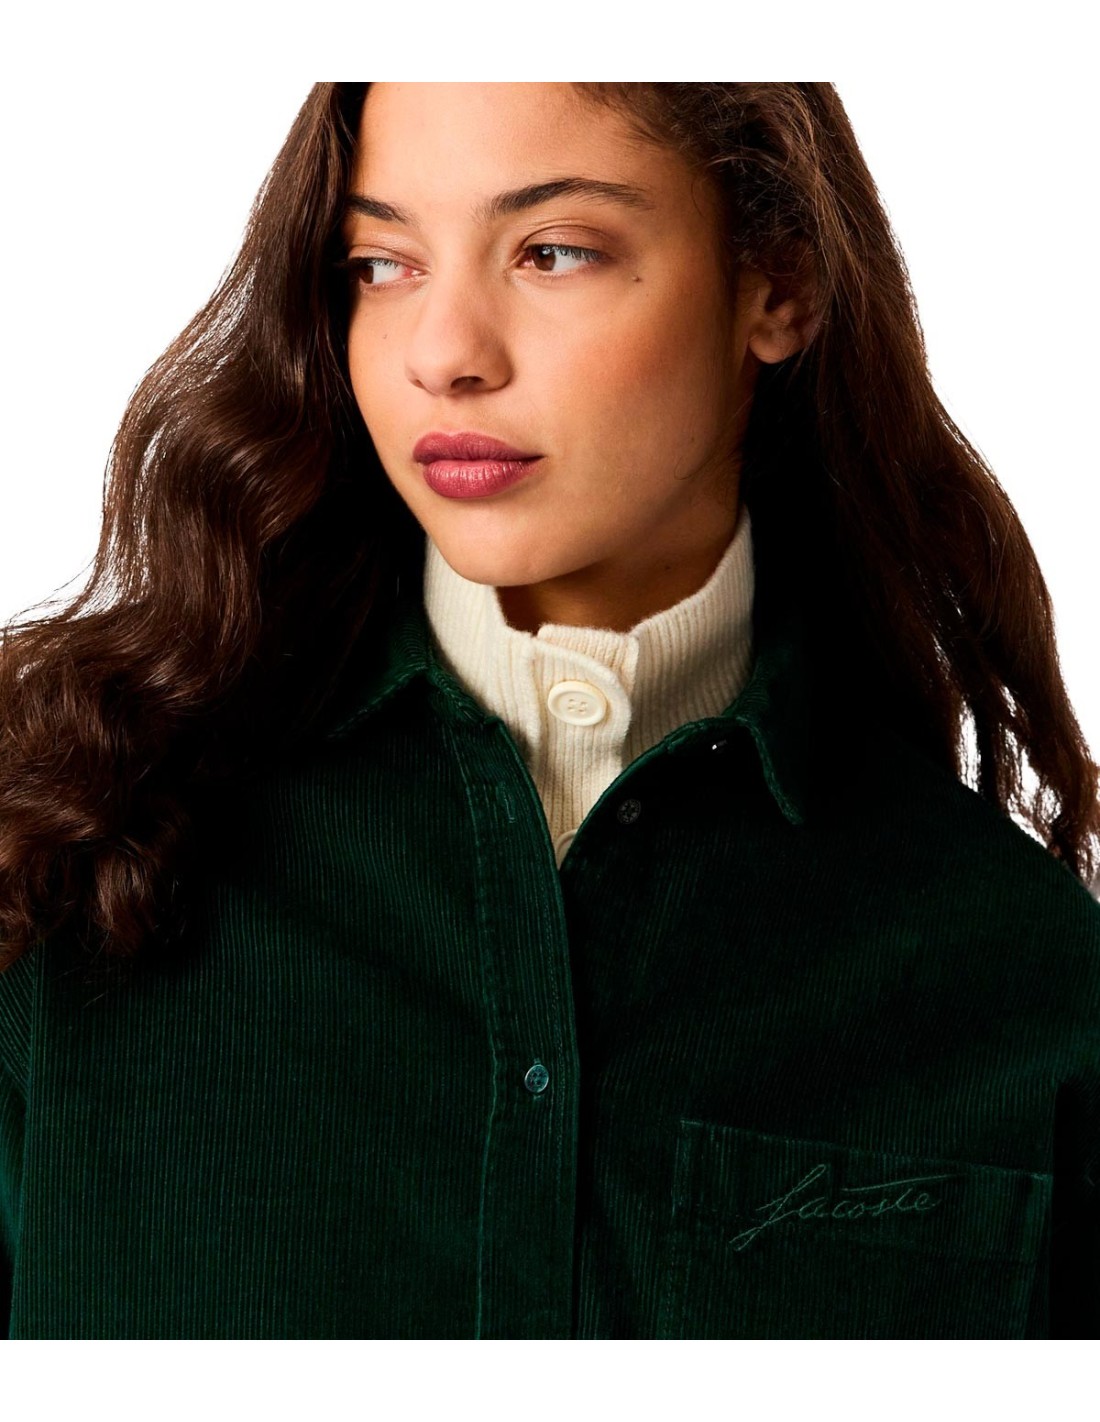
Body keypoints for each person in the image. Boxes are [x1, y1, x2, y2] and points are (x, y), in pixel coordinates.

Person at [0, 81, 1098, 1341]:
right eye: (381, 263)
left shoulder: (1025, 977)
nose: (443, 353)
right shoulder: (69, 859)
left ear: (777, 285)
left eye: (552, 252)